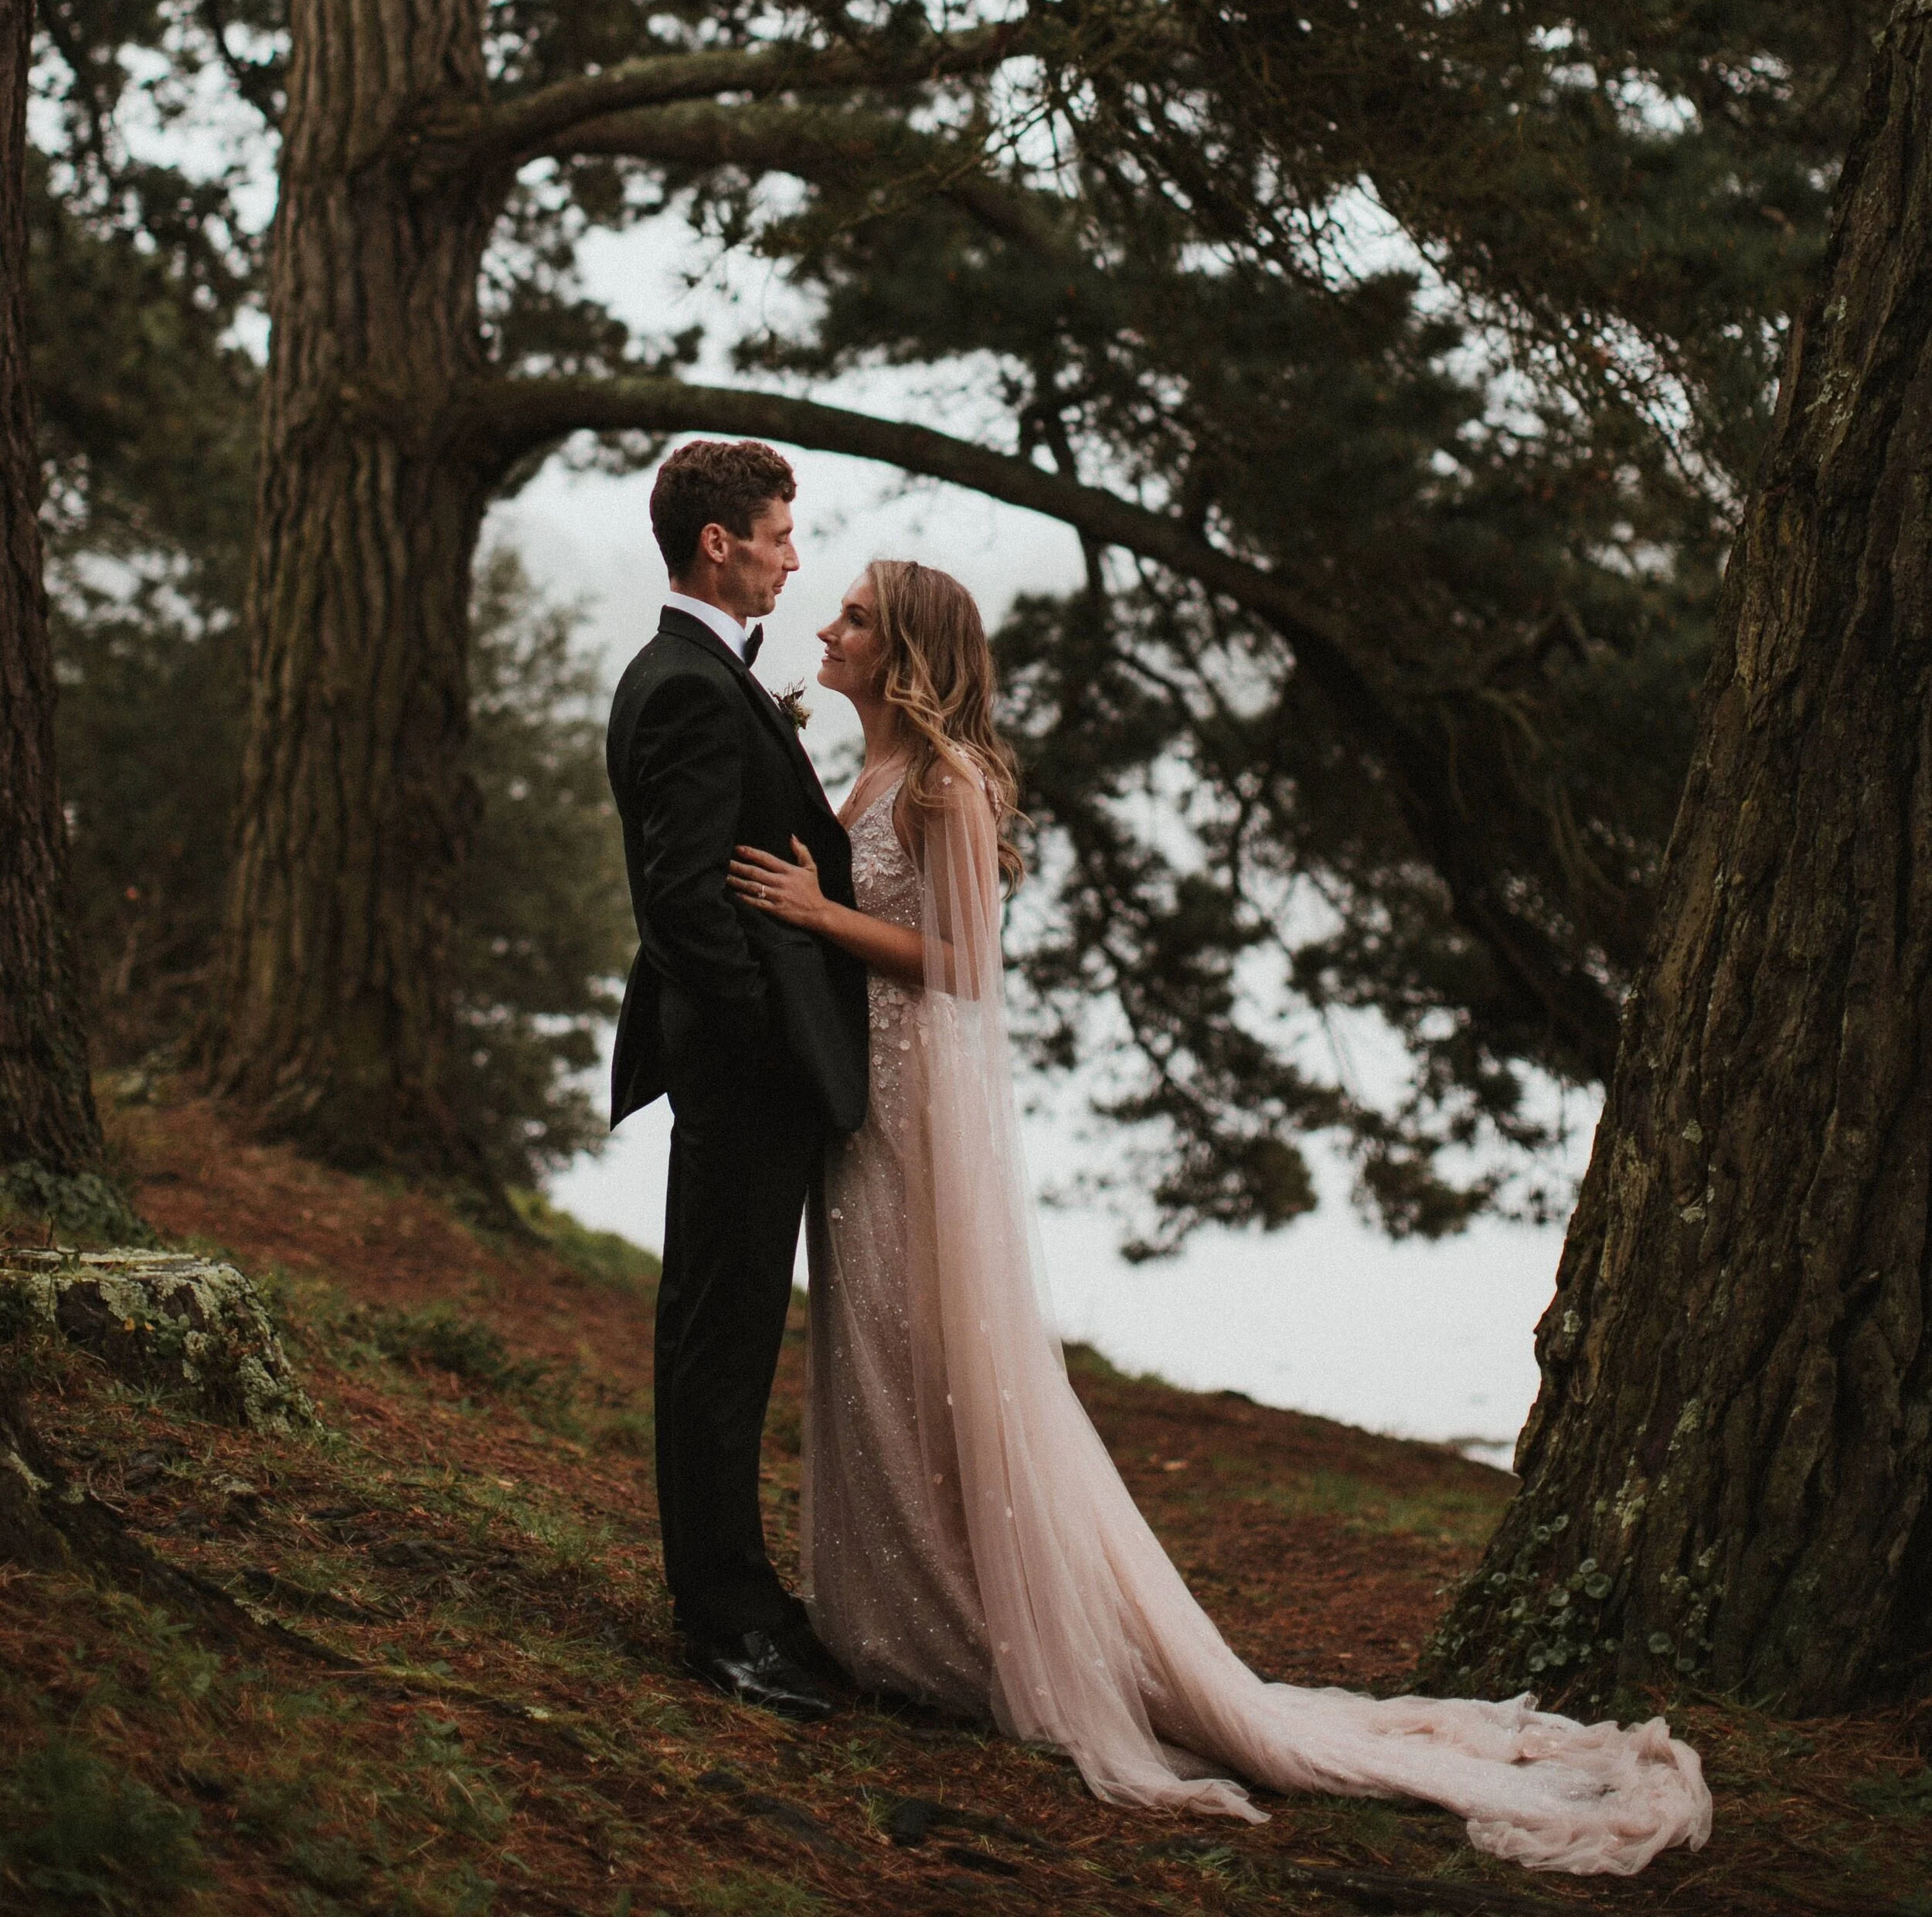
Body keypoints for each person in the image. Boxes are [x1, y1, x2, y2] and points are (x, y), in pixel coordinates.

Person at [726, 559, 1713, 1878]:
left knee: (941, 1358)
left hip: (921, 1112)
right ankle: (902, 1619)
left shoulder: (948, 780)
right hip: (871, 1099)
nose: (826, 628)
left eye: (850, 615)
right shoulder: (871, 773)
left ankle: (988, 1631)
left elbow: (968, 964)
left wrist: (820, 913)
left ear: (902, 647)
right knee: (880, 1355)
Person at [606, 439, 868, 1721]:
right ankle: (721, 1621)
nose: (792, 553)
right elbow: (682, 906)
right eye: (778, 531)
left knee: (732, 1333)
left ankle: (745, 1595)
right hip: (741, 1076)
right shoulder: (687, 687)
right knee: (718, 1342)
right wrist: (772, 1036)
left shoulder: (702, 673)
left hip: (747, 1070)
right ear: (718, 540)